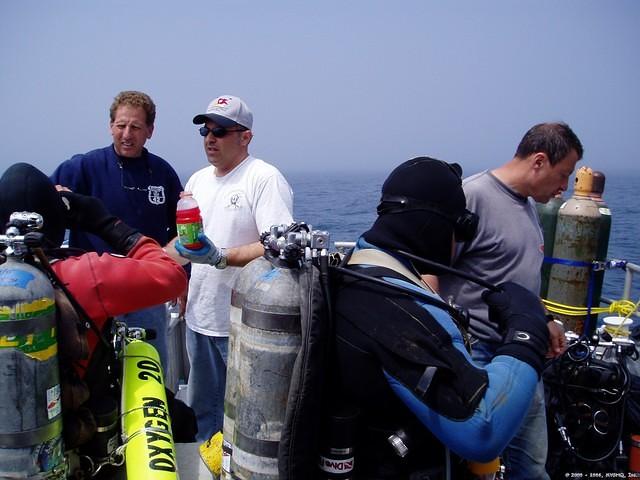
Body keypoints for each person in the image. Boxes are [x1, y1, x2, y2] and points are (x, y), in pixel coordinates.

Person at [329, 157, 551, 479]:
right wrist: (527, 328)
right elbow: (481, 430)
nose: (458, 241)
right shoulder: (389, 305)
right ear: (436, 225)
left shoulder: (360, 269)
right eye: (459, 229)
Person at [0, 162, 189, 457]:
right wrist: (105, 223)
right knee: (184, 419)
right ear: (55, 219)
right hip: (76, 427)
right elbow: (171, 276)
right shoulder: (87, 274)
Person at [437, 122, 584, 479]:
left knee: (531, 465)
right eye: (563, 174)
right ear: (538, 161)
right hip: (480, 355)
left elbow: (518, 277)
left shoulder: (528, 204)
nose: (565, 187)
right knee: (473, 465)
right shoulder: (472, 197)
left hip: (525, 349)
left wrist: (545, 318)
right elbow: (432, 274)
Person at [170, 94, 294, 442]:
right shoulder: (196, 181)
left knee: (246, 413)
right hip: (199, 317)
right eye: (206, 131)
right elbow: (187, 241)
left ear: (245, 137)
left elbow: (279, 247)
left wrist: (222, 257)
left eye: (221, 131)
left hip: (244, 323)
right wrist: (180, 278)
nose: (211, 138)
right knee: (201, 410)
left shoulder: (264, 178)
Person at [50, 90, 184, 370]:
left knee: (149, 369)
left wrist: (183, 279)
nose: (127, 134)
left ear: (150, 130)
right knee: (92, 372)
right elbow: (40, 202)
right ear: (110, 126)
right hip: (93, 292)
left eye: (135, 127)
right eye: (121, 125)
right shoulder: (83, 167)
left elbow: (184, 231)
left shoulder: (163, 173)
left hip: (145, 291)